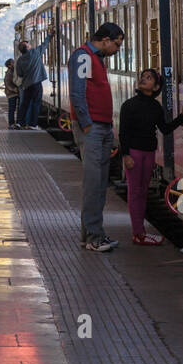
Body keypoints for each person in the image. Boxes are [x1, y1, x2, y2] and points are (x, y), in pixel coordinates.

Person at [68, 22, 125, 253]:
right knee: (93, 184)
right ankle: (93, 237)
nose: (117, 49)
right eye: (117, 44)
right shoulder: (83, 57)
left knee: (100, 183)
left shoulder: (97, 59)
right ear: (105, 40)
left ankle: (92, 234)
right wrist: (87, 125)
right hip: (91, 128)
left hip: (101, 127)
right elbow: (77, 93)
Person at [119, 69, 183, 245]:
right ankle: (138, 233)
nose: (143, 79)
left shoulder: (156, 107)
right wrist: (125, 155)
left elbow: (164, 129)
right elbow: (123, 133)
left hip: (149, 153)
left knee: (142, 191)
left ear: (156, 87)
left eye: (148, 78)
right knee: (135, 192)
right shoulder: (128, 105)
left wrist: (182, 118)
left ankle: (140, 232)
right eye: (143, 77)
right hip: (134, 153)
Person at [15, 27, 54, 129]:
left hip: (26, 84)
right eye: (28, 44)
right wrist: (50, 35)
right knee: (36, 103)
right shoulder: (35, 53)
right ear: (27, 48)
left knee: (24, 104)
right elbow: (44, 45)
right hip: (36, 83)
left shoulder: (19, 60)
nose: (30, 45)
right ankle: (33, 124)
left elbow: (19, 74)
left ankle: (19, 122)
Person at [3, 57, 20, 128]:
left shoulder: (13, 71)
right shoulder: (9, 73)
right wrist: (14, 89)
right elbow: (7, 84)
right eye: (13, 63)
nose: (14, 63)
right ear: (9, 65)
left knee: (17, 108)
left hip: (15, 93)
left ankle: (16, 122)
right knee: (12, 108)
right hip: (11, 94)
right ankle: (11, 123)